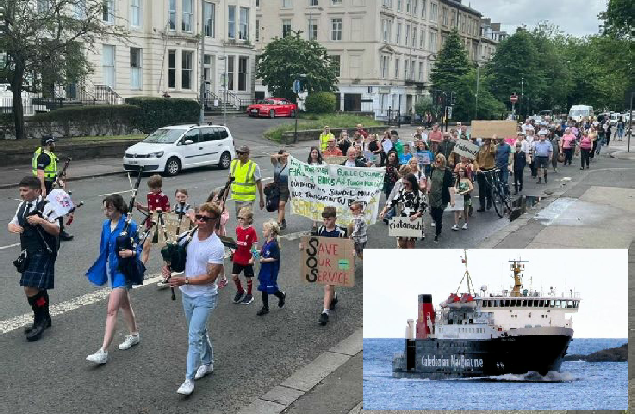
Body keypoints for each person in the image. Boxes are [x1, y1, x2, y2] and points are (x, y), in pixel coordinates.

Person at [164, 203, 224, 395]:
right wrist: (169, 267)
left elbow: (210, 277)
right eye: (199, 216)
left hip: (205, 297)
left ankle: (188, 379)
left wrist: (185, 279)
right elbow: (178, 259)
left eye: (205, 218)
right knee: (199, 332)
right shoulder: (187, 237)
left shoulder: (216, 246)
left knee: (194, 336)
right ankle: (208, 363)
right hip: (187, 295)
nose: (200, 220)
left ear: (214, 222)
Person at [86, 194, 141, 364]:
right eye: (104, 208)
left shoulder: (130, 225)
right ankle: (134, 335)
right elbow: (103, 248)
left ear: (118, 208)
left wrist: (132, 252)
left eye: (109, 208)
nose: (106, 211)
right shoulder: (105, 225)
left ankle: (103, 351)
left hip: (123, 270)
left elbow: (140, 246)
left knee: (112, 309)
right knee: (125, 304)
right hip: (111, 268)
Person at [8, 176, 60, 342]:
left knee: (30, 287)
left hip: (44, 251)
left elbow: (56, 230)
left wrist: (41, 221)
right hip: (28, 252)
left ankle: (39, 320)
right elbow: (13, 222)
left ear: (37, 191)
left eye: (25, 190)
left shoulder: (47, 206)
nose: (22, 194)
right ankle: (46, 317)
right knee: (38, 287)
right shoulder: (22, 206)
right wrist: (12, 227)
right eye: (20, 191)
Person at [301, 206, 347, 326]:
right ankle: (333, 296)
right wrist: (304, 246)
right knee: (329, 285)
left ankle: (325, 313)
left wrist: (348, 257)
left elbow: (345, 249)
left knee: (327, 286)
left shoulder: (341, 232)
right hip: (324, 262)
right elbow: (314, 244)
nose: (326, 222)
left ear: (335, 219)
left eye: (329, 219)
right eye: (324, 219)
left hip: (335, 262)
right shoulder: (321, 229)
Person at [32, 136, 73, 242]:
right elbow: (40, 173)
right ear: (49, 143)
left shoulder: (47, 154)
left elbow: (49, 172)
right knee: (50, 208)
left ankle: (57, 230)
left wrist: (58, 180)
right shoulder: (44, 156)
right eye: (53, 143)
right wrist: (43, 188)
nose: (55, 145)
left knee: (54, 207)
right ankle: (55, 231)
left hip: (49, 184)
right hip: (45, 185)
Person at [379, 173, 425, 248]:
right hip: (402, 219)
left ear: (412, 182)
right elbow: (392, 202)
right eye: (403, 183)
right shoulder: (401, 192)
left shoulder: (419, 194)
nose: (405, 185)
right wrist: (384, 211)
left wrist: (416, 215)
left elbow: (423, 208)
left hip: (413, 220)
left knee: (410, 244)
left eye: (407, 183)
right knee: (401, 244)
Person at [136, 174, 170, 265]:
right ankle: (141, 266)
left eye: (153, 188)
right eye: (150, 188)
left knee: (165, 248)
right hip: (150, 225)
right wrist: (141, 207)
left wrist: (160, 214)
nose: (151, 190)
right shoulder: (149, 195)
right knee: (145, 246)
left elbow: (167, 212)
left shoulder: (163, 197)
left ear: (159, 187)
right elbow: (150, 208)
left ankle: (168, 265)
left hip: (160, 226)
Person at [256, 220, 286, 316]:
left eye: (264, 230)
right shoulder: (266, 242)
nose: (262, 231)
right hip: (265, 269)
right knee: (264, 288)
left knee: (271, 288)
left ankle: (281, 295)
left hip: (271, 270)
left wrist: (264, 260)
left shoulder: (274, 244)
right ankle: (265, 308)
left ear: (271, 232)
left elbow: (275, 258)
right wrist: (256, 252)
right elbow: (263, 251)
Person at [231, 207, 258, 305]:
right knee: (234, 276)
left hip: (247, 259)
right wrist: (233, 250)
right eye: (239, 218)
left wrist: (253, 258)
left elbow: (255, 246)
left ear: (249, 219)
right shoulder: (238, 229)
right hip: (237, 257)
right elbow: (237, 242)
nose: (240, 220)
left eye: (243, 218)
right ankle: (240, 290)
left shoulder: (251, 231)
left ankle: (249, 295)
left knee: (248, 278)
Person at [229, 145, 265, 216]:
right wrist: (224, 197)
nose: (239, 155)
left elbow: (259, 183)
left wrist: (261, 199)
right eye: (238, 152)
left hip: (248, 200)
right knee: (240, 219)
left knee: (246, 220)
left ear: (247, 154)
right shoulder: (233, 163)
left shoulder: (254, 166)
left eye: (241, 153)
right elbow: (229, 180)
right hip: (237, 198)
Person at [427, 154, 453, 242]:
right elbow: (430, 180)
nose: (437, 161)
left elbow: (450, 186)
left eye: (439, 160)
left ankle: (437, 233)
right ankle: (438, 222)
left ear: (443, 161)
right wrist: (428, 189)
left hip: (442, 196)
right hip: (432, 196)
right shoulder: (433, 169)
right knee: (432, 213)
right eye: (436, 160)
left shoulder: (448, 172)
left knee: (438, 215)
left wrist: (452, 199)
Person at [474, 137, 496, 212]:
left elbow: (494, 152)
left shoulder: (493, 147)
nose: (486, 140)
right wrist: (477, 168)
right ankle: (482, 205)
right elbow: (475, 159)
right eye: (485, 139)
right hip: (481, 169)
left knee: (488, 187)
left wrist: (492, 142)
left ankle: (489, 202)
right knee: (481, 188)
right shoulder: (480, 148)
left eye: (488, 139)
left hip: (489, 169)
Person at [270, 150, 290, 230]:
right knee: (279, 206)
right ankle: (283, 220)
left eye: (286, 156)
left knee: (281, 205)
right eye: (283, 156)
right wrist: (281, 155)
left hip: (286, 188)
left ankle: (278, 223)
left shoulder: (290, 165)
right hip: (276, 187)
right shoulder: (276, 164)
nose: (285, 157)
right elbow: (272, 157)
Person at [450, 166, 473, 230]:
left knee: (465, 212)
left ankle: (466, 223)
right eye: (460, 171)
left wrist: (465, 192)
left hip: (465, 197)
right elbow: (454, 187)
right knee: (456, 211)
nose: (461, 173)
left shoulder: (467, 180)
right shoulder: (457, 180)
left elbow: (471, 188)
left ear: (465, 172)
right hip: (458, 196)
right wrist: (455, 190)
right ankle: (456, 224)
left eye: (462, 171)